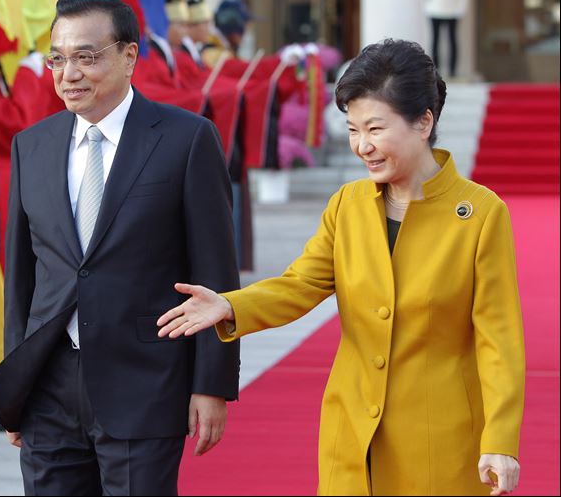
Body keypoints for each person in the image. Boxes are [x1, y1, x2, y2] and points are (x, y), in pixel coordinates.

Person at [157, 39, 525, 496]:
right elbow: (301, 284)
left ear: (424, 121)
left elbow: (499, 339)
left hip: (441, 442)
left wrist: (501, 441)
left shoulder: (481, 213)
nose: (362, 146)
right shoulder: (348, 206)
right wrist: (230, 305)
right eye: (352, 130)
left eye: (375, 128)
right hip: (352, 434)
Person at [0, 0, 240, 495]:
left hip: (144, 384)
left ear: (129, 56)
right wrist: (15, 386)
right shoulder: (31, 146)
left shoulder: (186, 140)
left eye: (86, 56)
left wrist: (211, 385)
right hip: (48, 390)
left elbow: (215, 272)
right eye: (58, 58)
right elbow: (22, 279)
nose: (69, 73)